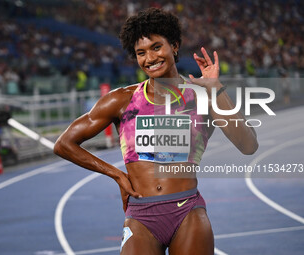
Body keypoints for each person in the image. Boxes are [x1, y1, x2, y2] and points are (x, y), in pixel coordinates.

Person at [54, 8, 258, 255]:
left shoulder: (202, 97)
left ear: (174, 45)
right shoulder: (121, 100)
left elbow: (249, 146)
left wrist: (216, 89)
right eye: (141, 53)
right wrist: (116, 175)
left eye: (156, 47)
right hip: (140, 214)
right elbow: (64, 144)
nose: (149, 58)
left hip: (187, 211)